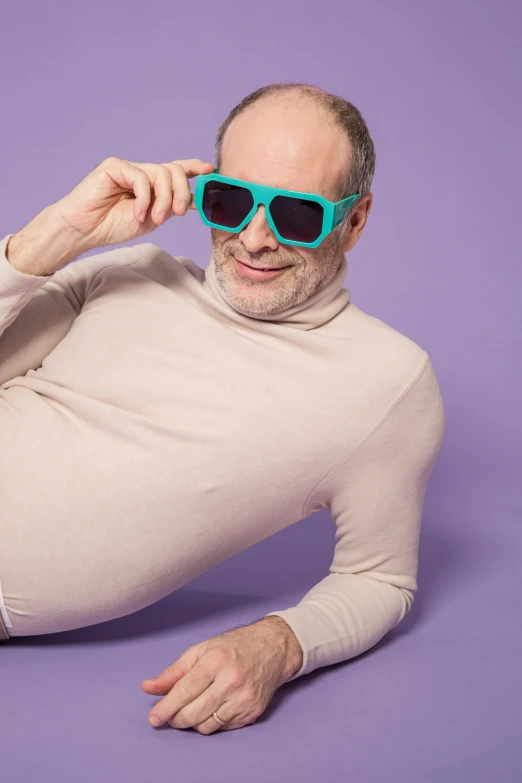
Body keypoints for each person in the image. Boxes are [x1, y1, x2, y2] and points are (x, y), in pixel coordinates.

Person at [0, 82, 445, 734]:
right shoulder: (127, 272)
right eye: (231, 201)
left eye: (296, 214)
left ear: (356, 220)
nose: (254, 237)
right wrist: (55, 236)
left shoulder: (387, 380)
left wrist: (279, 642)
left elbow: (380, 577)